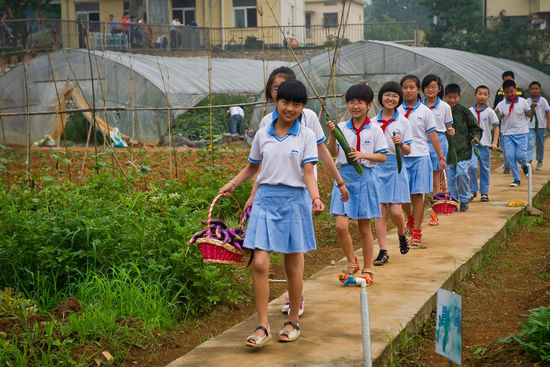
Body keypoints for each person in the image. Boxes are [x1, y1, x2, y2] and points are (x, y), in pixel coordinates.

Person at [219, 79, 324, 347]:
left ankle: (292, 321)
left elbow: (309, 172)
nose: (290, 108)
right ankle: (262, 325)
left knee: (292, 266)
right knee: (261, 263)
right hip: (265, 201)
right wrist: (232, 184)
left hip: (293, 202)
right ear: (276, 102)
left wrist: (316, 198)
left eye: (296, 104)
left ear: (302, 108)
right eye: (285, 102)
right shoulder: (264, 134)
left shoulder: (306, 136)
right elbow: (253, 167)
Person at [248, 66, 349, 316]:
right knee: (267, 256)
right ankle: (282, 308)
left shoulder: (309, 119)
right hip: (270, 193)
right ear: (273, 93)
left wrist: (338, 180)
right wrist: (252, 195)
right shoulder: (265, 123)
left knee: (293, 249)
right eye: (275, 88)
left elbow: (323, 151)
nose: (286, 102)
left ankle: (296, 298)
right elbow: (259, 165)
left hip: (301, 190)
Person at [327, 84, 388, 285]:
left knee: (364, 227)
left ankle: (368, 267)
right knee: (341, 225)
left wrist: (362, 155)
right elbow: (333, 153)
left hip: (365, 178)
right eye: (352, 101)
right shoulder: (342, 127)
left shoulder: (375, 129)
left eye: (360, 102)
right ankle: (352, 261)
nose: (355, 106)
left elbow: (382, 157)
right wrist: (332, 134)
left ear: (369, 105)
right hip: (343, 178)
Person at [398, 75, 446, 247]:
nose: (408, 90)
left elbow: (432, 135)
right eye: (405, 87)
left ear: (418, 90)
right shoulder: (397, 110)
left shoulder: (425, 111)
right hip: (401, 158)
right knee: (403, 195)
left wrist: (440, 157)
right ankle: (410, 216)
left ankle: (417, 231)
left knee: (418, 195)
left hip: (420, 157)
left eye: (412, 87)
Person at [373, 81, 412, 266]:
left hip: (396, 165)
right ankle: (383, 250)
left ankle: (402, 232)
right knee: (379, 211)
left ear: (399, 100)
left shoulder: (403, 121)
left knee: (396, 211)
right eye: (387, 95)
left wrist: (401, 143)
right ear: (381, 97)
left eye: (395, 96)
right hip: (378, 166)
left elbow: (408, 151)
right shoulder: (372, 122)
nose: (391, 99)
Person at [443, 84, 482, 212]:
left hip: (463, 151)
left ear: (459, 97)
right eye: (450, 97)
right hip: (447, 152)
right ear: (445, 97)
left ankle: (464, 199)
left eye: (455, 97)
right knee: (450, 177)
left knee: (462, 173)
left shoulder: (464, 111)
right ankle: (453, 201)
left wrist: (475, 137)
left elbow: (475, 128)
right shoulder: (442, 110)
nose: (452, 100)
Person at [421, 74, 454, 226]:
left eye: (434, 87)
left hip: (439, 142)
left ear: (439, 89)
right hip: (421, 142)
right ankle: (417, 215)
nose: (430, 90)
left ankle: (434, 214)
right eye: (427, 87)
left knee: (436, 180)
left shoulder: (445, 107)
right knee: (420, 180)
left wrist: (451, 130)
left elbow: (448, 126)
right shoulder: (419, 106)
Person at [495, 79, 531, 187]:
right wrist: (498, 116)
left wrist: (530, 111)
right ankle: (516, 179)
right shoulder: (501, 104)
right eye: (507, 92)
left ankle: (524, 164)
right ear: (504, 93)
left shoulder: (523, 102)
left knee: (520, 155)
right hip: (507, 134)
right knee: (510, 156)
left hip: (521, 132)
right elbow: (499, 118)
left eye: (511, 91)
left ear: (515, 90)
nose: (510, 94)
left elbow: (528, 114)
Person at [468, 85, 500, 202]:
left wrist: (495, 142)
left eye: (485, 94)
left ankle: (484, 192)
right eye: (480, 94)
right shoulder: (469, 111)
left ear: (488, 97)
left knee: (485, 169)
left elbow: (496, 127)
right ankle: (473, 190)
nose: (482, 96)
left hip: (485, 145)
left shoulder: (490, 112)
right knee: (471, 166)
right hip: (471, 145)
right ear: (475, 95)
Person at [493, 71, 526, 174]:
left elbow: (524, 109)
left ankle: (522, 164)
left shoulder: (520, 94)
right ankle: (509, 168)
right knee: (507, 151)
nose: (509, 93)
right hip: (506, 129)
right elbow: (496, 109)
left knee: (518, 153)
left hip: (519, 129)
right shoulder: (499, 93)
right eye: (505, 81)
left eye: (509, 81)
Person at [527, 81, 550, 171]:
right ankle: (529, 161)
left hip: (541, 126)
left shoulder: (543, 100)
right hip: (530, 126)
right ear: (529, 90)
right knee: (530, 143)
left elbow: (548, 112)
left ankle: (540, 160)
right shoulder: (527, 101)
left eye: (536, 89)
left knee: (540, 144)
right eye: (532, 89)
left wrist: (548, 123)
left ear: (540, 90)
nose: (534, 91)